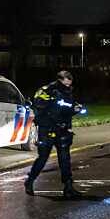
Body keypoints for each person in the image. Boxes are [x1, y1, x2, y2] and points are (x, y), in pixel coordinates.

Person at [24, 70, 84, 198]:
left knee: (65, 159)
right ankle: (30, 181)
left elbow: (67, 108)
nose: (68, 86)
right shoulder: (47, 91)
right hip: (48, 129)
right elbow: (42, 108)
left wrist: (75, 109)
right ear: (61, 80)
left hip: (62, 129)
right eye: (66, 83)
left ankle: (68, 186)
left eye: (69, 84)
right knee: (43, 157)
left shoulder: (67, 92)